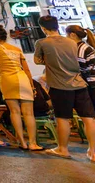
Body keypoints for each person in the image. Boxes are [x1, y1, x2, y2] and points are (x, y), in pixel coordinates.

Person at [35, 16, 95, 161]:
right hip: (79, 84)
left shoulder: (42, 42)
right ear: (57, 26)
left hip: (59, 86)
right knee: (88, 118)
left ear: (43, 28)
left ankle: (63, 149)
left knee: (62, 119)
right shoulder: (71, 42)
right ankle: (93, 151)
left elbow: (37, 60)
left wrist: (49, 62)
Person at [0, 25, 42, 151]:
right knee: (29, 113)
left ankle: (22, 142)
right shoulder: (17, 49)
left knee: (15, 112)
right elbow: (27, 69)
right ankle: (33, 143)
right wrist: (32, 85)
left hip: (7, 79)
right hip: (22, 78)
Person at [66, 25, 95, 108]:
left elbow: (79, 67)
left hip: (90, 83)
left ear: (72, 35)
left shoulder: (80, 49)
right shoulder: (85, 47)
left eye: (66, 35)